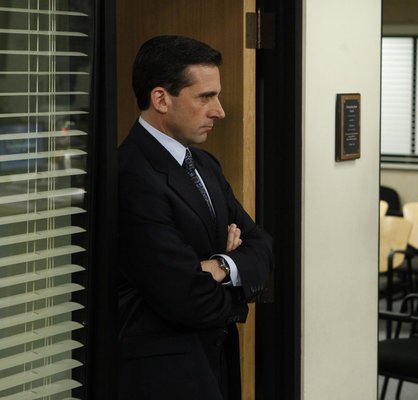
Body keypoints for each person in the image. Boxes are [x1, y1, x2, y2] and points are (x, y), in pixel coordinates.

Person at [117, 35, 273, 400]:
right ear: (161, 99)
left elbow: (261, 245)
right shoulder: (131, 174)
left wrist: (218, 267)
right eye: (205, 97)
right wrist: (236, 273)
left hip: (214, 364)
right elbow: (186, 298)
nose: (219, 111)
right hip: (165, 378)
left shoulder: (204, 164)